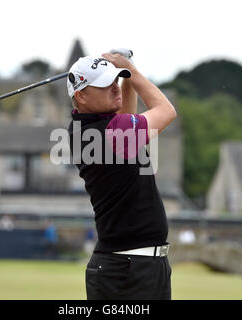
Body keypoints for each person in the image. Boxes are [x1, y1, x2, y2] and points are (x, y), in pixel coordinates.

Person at [67, 49, 177, 299]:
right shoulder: (111, 133)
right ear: (81, 95)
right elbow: (166, 111)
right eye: (106, 84)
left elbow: (125, 116)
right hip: (127, 269)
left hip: (135, 266)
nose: (114, 88)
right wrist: (133, 72)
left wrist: (125, 75)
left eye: (115, 81)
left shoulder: (82, 129)